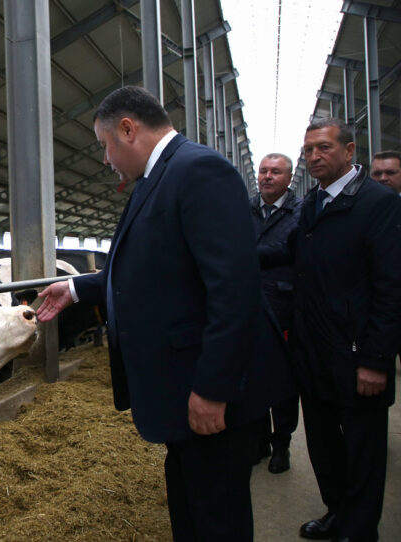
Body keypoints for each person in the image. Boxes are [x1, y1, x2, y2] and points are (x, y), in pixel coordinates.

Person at [36, 85, 291, 542]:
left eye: (104, 145)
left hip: (207, 390)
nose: (106, 160)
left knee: (217, 517)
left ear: (128, 129)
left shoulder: (199, 171)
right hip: (179, 388)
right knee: (191, 505)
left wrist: (213, 389)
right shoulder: (159, 177)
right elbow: (156, 269)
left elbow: (233, 289)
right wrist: (76, 288)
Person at [260, 117, 401, 541]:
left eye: (324, 147)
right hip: (314, 351)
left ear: (349, 151)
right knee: (324, 446)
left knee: (362, 451)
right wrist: (230, 256)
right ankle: (337, 513)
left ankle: (359, 531)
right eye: (309, 150)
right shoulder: (313, 204)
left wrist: (377, 360)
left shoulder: (378, 204)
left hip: (357, 356)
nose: (315, 156)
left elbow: (392, 288)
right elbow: (288, 251)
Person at [250, 153, 302, 474]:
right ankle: (258, 440)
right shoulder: (243, 208)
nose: (268, 176)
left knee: (283, 380)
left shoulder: (301, 211)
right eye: (263, 171)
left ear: (289, 177)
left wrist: (244, 255)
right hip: (247, 304)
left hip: (284, 306)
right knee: (252, 377)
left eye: (275, 172)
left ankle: (281, 442)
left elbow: (293, 251)